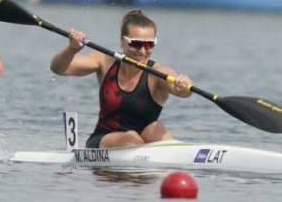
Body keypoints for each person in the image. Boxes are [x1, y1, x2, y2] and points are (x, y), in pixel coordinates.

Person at [49, 9, 194, 148]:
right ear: (122, 41)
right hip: (104, 139)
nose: (143, 51)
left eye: (149, 44)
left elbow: (181, 91)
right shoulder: (105, 61)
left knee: (156, 128)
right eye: (136, 44)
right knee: (130, 137)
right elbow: (59, 68)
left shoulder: (158, 73)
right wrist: (72, 49)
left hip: (145, 139)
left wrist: (184, 85)